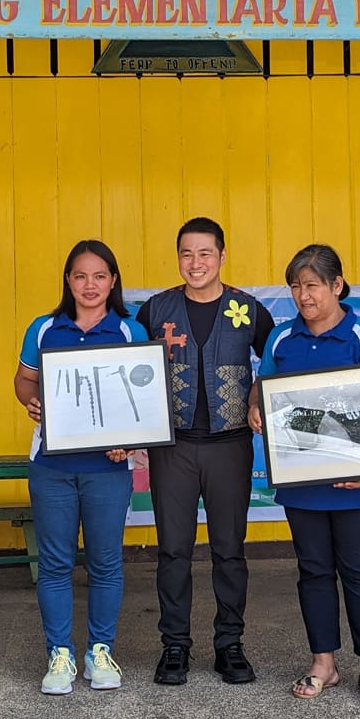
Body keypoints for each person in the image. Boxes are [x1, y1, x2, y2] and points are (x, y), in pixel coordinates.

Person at [248, 243, 360, 707]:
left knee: (358, 570)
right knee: (313, 570)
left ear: (336, 285)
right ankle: (324, 663)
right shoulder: (280, 339)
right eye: (295, 286)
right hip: (301, 478)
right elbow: (266, 384)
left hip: (354, 481)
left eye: (312, 285)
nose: (303, 295)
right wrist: (256, 405)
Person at [135, 217, 275, 685]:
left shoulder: (249, 310)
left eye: (205, 254)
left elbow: (276, 366)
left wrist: (257, 401)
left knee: (229, 551)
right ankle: (174, 646)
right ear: (177, 258)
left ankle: (229, 645)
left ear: (222, 255)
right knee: (173, 550)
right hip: (172, 448)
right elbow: (129, 371)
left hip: (231, 446)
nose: (196, 263)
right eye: (186, 254)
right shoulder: (155, 311)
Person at [14, 239, 149, 695]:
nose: (89, 285)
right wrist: (31, 401)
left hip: (108, 468)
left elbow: (144, 401)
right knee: (54, 562)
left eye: (99, 276)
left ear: (113, 281)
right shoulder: (44, 327)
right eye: (79, 276)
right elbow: (24, 379)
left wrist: (129, 440)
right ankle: (60, 653)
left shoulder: (130, 331)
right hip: (52, 464)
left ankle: (99, 651)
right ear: (68, 281)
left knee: (106, 561)